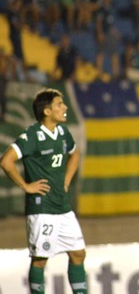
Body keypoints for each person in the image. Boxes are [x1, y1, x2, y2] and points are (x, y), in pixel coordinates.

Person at [0, 88, 88, 294]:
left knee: (78, 254)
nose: (65, 107)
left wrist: (66, 180)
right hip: (42, 208)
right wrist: (26, 186)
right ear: (47, 111)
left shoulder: (63, 133)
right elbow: (6, 161)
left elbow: (74, 155)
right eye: (59, 104)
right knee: (40, 260)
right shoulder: (32, 135)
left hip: (63, 206)